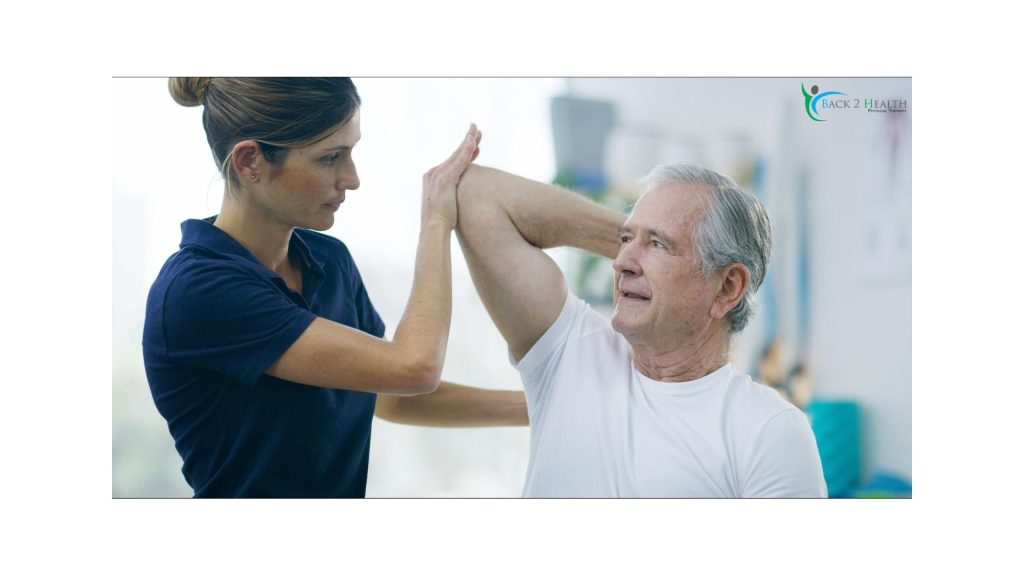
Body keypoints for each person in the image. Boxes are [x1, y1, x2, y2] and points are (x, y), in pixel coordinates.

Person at [142, 78, 526, 498]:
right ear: (250, 161)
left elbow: (390, 395)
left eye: (351, 153)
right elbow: (415, 367)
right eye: (330, 158)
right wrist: (436, 221)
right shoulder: (198, 292)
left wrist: (544, 409)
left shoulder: (329, 260)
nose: (352, 178)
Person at [455, 162, 827, 497]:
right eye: (625, 239)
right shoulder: (568, 351)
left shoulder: (770, 431)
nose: (620, 263)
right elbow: (476, 193)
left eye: (657, 244)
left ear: (728, 287)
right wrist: (652, 239)